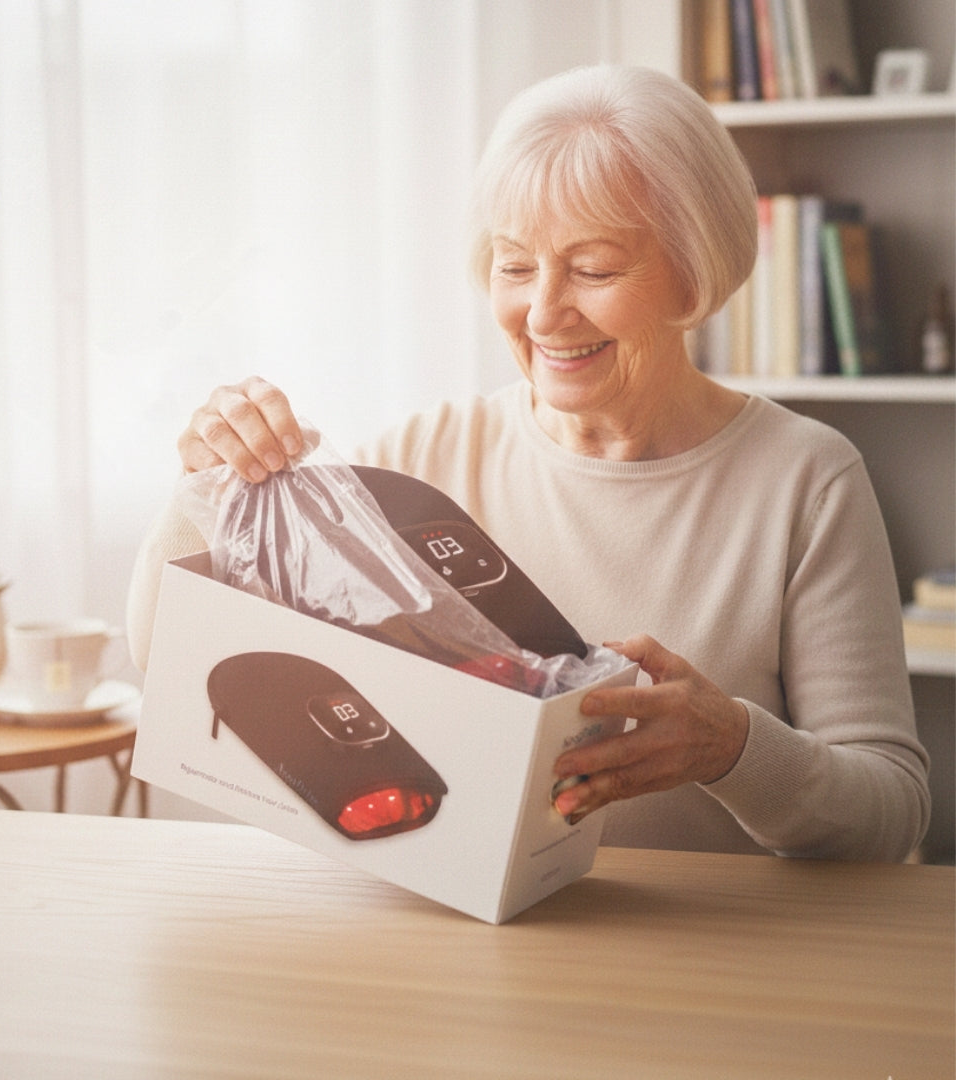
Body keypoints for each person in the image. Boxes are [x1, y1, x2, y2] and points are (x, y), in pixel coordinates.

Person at [128, 65, 929, 860]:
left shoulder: (807, 480)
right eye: (515, 266)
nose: (544, 312)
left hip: (708, 964)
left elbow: (892, 812)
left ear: (694, 272)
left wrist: (734, 750)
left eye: (594, 269)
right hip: (454, 952)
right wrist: (204, 482)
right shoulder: (422, 459)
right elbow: (172, 658)